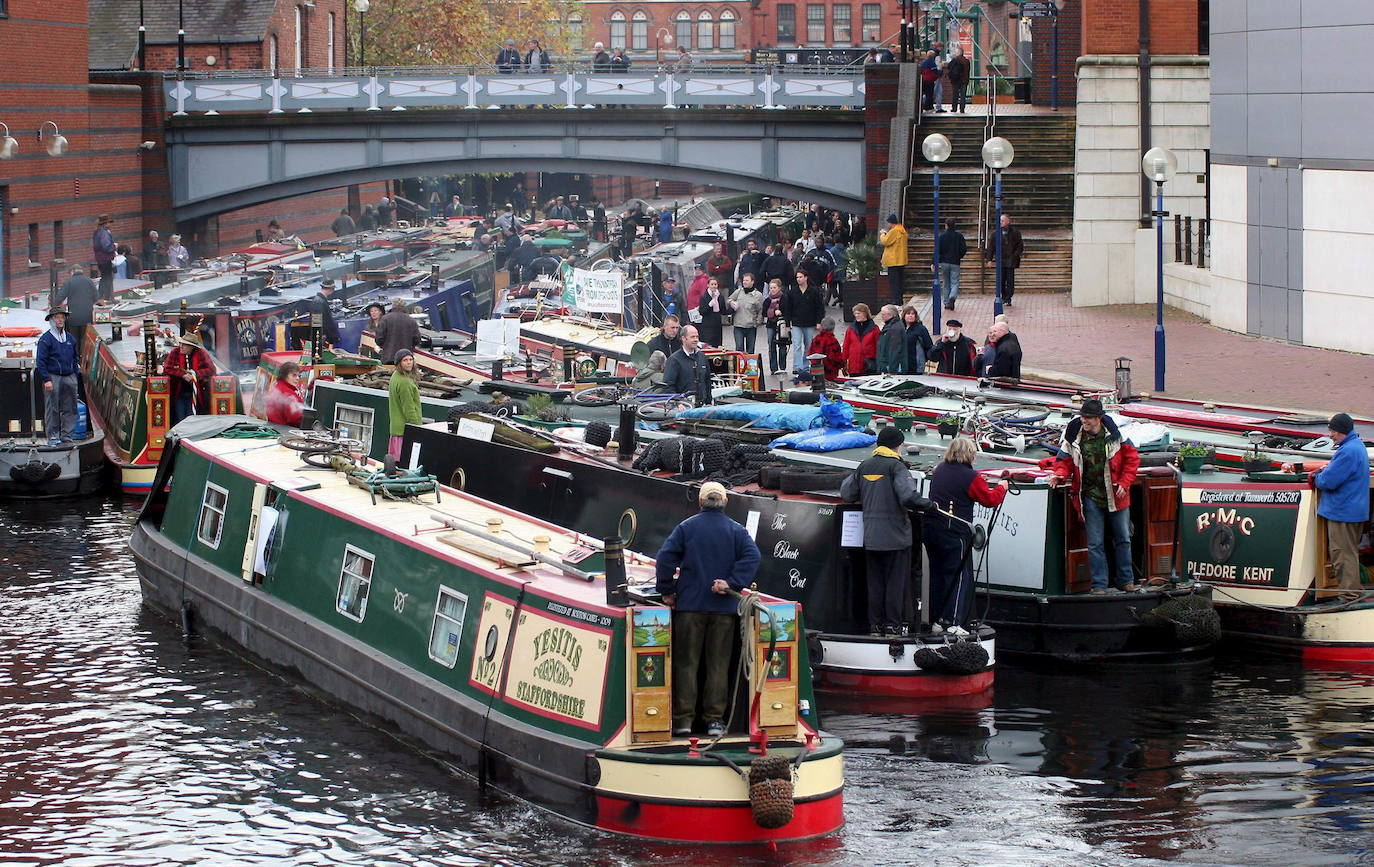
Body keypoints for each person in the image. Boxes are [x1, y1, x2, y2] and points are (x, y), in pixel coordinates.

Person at [655, 481, 761, 737]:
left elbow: (665, 558)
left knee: (687, 664)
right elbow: (753, 557)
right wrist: (732, 583)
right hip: (724, 609)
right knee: (718, 665)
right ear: (725, 501)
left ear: (700, 502)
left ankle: (683, 720)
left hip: (690, 607)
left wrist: (667, 590)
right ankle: (714, 721)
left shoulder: (686, 527)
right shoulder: (737, 531)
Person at [840, 426, 934, 636]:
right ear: (898, 445)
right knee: (894, 583)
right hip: (896, 538)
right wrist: (929, 505)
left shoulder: (865, 466)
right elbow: (908, 497)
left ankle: (875, 626)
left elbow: (847, 493)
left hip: (872, 537)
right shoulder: (897, 467)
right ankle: (893, 626)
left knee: (875, 583)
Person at [1048, 399, 1142, 594]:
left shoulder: (1117, 436)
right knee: (1095, 543)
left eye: (1088, 417)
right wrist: (1059, 475)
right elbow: (1063, 461)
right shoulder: (1073, 436)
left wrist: (1124, 482)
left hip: (1116, 495)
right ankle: (1099, 585)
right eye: (1083, 417)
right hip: (1089, 496)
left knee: (1123, 539)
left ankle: (1126, 581)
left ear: (1099, 418)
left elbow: (1132, 459)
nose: (1084, 421)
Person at [923, 437, 1009, 633]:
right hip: (954, 532)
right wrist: (1002, 486)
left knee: (938, 576)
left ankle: (938, 620)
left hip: (930, 529)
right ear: (970, 454)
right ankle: (953, 623)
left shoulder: (938, 470)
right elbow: (989, 499)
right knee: (959, 576)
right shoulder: (971, 477)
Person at [1283, 415, 1370, 602]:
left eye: (1332, 431)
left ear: (1340, 431)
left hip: (1342, 511)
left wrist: (1316, 477)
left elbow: (1329, 481)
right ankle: (1356, 592)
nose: (1330, 435)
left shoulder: (1347, 452)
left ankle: (1350, 597)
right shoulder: (1357, 446)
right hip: (1353, 510)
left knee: (1341, 556)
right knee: (1349, 554)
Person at [36, 307, 81, 444]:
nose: (60, 320)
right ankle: (53, 436)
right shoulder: (46, 339)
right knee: (52, 407)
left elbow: (75, 357)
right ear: (51, 320)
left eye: (62, 317)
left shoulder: (70, 338)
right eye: (57, 317)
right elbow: (41, 361)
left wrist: (75, 372)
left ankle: (67, 435)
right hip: (53, 376)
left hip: (69, 376)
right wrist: (46, 379)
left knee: (70, 407)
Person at [164, 332, 214, 425]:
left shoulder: (201, 353)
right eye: (181, 343)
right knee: (180, 418)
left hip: (197, 393)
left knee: (193, 418)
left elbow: (211, 369)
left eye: (184, 345)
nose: (181, 346)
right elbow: (167, 369)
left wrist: (195, 375)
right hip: (178, 393)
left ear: (192, 347)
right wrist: (182, 374)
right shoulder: (175, 352)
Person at [783, 270, 825, 377]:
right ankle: (797, 367)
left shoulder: (814, 291)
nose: (798, 279)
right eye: (797, 277)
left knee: (808, 345)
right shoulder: (793, 292)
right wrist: (788, 324)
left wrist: (819, 321)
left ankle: (806, 366)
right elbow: (788, 309)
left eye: (800, 277)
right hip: (796, 322)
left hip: (810, 322)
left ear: (806, 278)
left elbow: (819, 307)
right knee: (797, 345)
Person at [388, 349, 423, 461]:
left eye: (410, 359)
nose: (409, 362)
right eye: (405, 360)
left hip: (396, 429)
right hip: (404, 432)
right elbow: (408, 409)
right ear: (399, 363)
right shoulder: (404, 382)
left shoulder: (395, 376)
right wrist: (417, 428)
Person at [663, 325, 711, 406]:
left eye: (697, 337)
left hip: (702, 406)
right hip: (684, 407)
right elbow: (668, 386)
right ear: (683, 338)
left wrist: (709, 402)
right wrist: (678, 403)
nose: (696, 340)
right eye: (692, 337)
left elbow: (707, 381)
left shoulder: (702, 357)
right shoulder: (674, 360)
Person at [53, 266, 97, 350]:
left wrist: (54, 306)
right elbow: (96, 297)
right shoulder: (89, 281)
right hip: (87, 317)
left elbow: (60, 297)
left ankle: (75, 359)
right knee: (85, 340)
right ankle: (83, 358)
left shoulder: (69, 282)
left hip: (73, 317)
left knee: (74, 340)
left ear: (72, 272)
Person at [987, 214, 1025, 306]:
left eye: (1003, 220)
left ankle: (1008, 297)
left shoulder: (1015, 233)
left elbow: (1020, 245)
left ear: (1008, 221)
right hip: (1000, 260)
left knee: (1010, 280)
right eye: (1000, 221)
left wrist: (1015, 255)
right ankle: (1004, 296)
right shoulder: (995, 234)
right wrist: (989, 259)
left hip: (1011, 260)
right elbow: (991, 247)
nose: (1001, 222)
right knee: (1001, 280)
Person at [376, 299, 421, 364]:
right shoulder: (411, 320)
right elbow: (417, 339)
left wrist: (385, 347)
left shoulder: (385, 319)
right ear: (404, 306)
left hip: (388, 357)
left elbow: (379, 339)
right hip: (405, 358)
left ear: (393, 306)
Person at [727, 273, 763, 354]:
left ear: (752, 282)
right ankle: (740, 366)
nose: (744, 282)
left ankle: (749, 366)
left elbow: (760, 310)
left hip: (751, 326)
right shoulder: (738, 292)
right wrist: (731, 302)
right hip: (738, 325)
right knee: (739, 349)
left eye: (747, 280)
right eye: (743, 280)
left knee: (750, 350)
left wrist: (757, 322)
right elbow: (729, 299)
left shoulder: (758, 295)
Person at [841, 302, 880, 376]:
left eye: (859, 313)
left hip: (869, 365)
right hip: (854, 366)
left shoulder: (874, 329)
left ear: (865, 313)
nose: (856, 315)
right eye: (855, 313)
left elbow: (878, 347)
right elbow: (846, 346)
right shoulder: (850, 329)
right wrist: (844, 362)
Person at [937, 219, 968, 310]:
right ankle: (952, 296)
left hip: (944, 262)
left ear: (946, 225)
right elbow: (964, 249)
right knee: (955, 282)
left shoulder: (942, 236)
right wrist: (959, 256)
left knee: (946, 283)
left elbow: (937, 249)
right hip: (955, 262)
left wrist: (935, 261)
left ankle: (946, 302)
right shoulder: (959, 236)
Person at [264, 361, 305, 427]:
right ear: (284, 376)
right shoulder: (289, 394)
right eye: (294, 375)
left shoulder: (276, 388)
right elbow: (296, 419)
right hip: (287, 433)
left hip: (274, 429)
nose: (297, 378)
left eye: (299, 376)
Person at [880, 214, 909, 305]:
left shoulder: (894, 231)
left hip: (893, 261)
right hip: (901, 260)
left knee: (894, 283)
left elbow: (885, 241)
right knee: (899, 282)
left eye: (888, 223)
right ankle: (899, 299)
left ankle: (896, 301)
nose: (887, 225)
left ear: (891, 223)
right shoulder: (902, 230)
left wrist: (883, 234)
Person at [763, 279, 787, 375]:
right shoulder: (767, 300)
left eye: (774, 287)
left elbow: (788, 311)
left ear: (779, 288)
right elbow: (764, 312)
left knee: (782, 346)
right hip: (771, 325)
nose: (772, 290)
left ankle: (782, 367)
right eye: (771, 288)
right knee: (771, 346)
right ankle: (773, 368)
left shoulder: (784, 298)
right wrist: (773, 312)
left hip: (782, 325)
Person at [875, 303, 907, 374]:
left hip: (891, 367)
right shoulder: (890, 326)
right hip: (887, 364)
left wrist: (892, 369)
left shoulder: (895, 328)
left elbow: (895, 350)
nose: (881, 316)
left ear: (891, 315)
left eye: (883, 314)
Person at [902, 305, 933, 375]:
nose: (911, 316)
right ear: (904, 316)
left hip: (916, 365)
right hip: (903, 364)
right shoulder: (901, 328)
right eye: (908, 314)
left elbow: (928, 345)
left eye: (913, 314)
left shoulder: (921, 329)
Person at [92, 214, 117, 301]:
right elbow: (106, 247)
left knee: (105, 278)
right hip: (105, 259)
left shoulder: (97, 232)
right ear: (105, 223)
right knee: (107, 278)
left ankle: (104, 297)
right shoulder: (104, 233)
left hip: (100, 259)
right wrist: (114, 246)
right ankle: (105, 297)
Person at [310, 278, 341, 348]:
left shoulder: (319, 300)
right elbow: (316, 321)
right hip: (321, 337)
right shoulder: (319, 302)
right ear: (330, 289)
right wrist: (322, 334)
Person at [696, 278, 726, 347]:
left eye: (715, 284)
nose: (714, 286)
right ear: (708, 285)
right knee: (708, 346)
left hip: (717, 326)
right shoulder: (704, 297)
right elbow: (702, 312)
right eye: (712, 284)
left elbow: (723, 311)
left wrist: (733, 309)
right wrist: (710, 305)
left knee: (717, 346)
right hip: (707, 327)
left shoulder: (720, 297)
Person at [947, 47, 971, 114]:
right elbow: (968, 71)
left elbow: (949, 67)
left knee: (955, 95)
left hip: (955, 80)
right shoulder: (966, 61)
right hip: (964, 80)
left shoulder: (954, 60)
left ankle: (954, 108)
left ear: (958, 53)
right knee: (963, 95)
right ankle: (962, 109)